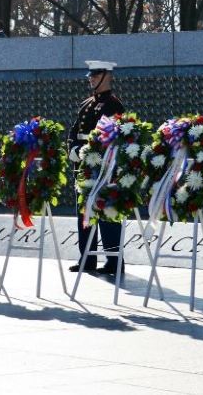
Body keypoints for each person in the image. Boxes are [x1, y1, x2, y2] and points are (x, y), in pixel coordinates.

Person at [67, 61, 125, 274]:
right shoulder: (86, 103)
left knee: (106, 210)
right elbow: (74, 130)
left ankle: (113, 259)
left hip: (103, 166)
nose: (91, 78)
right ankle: (87, 258)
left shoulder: (113, 104)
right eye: (90, 75)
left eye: (95, 75)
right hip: (83, 165)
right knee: (84, 210)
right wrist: (72, 147)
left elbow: (110, 136)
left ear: (106, 76)